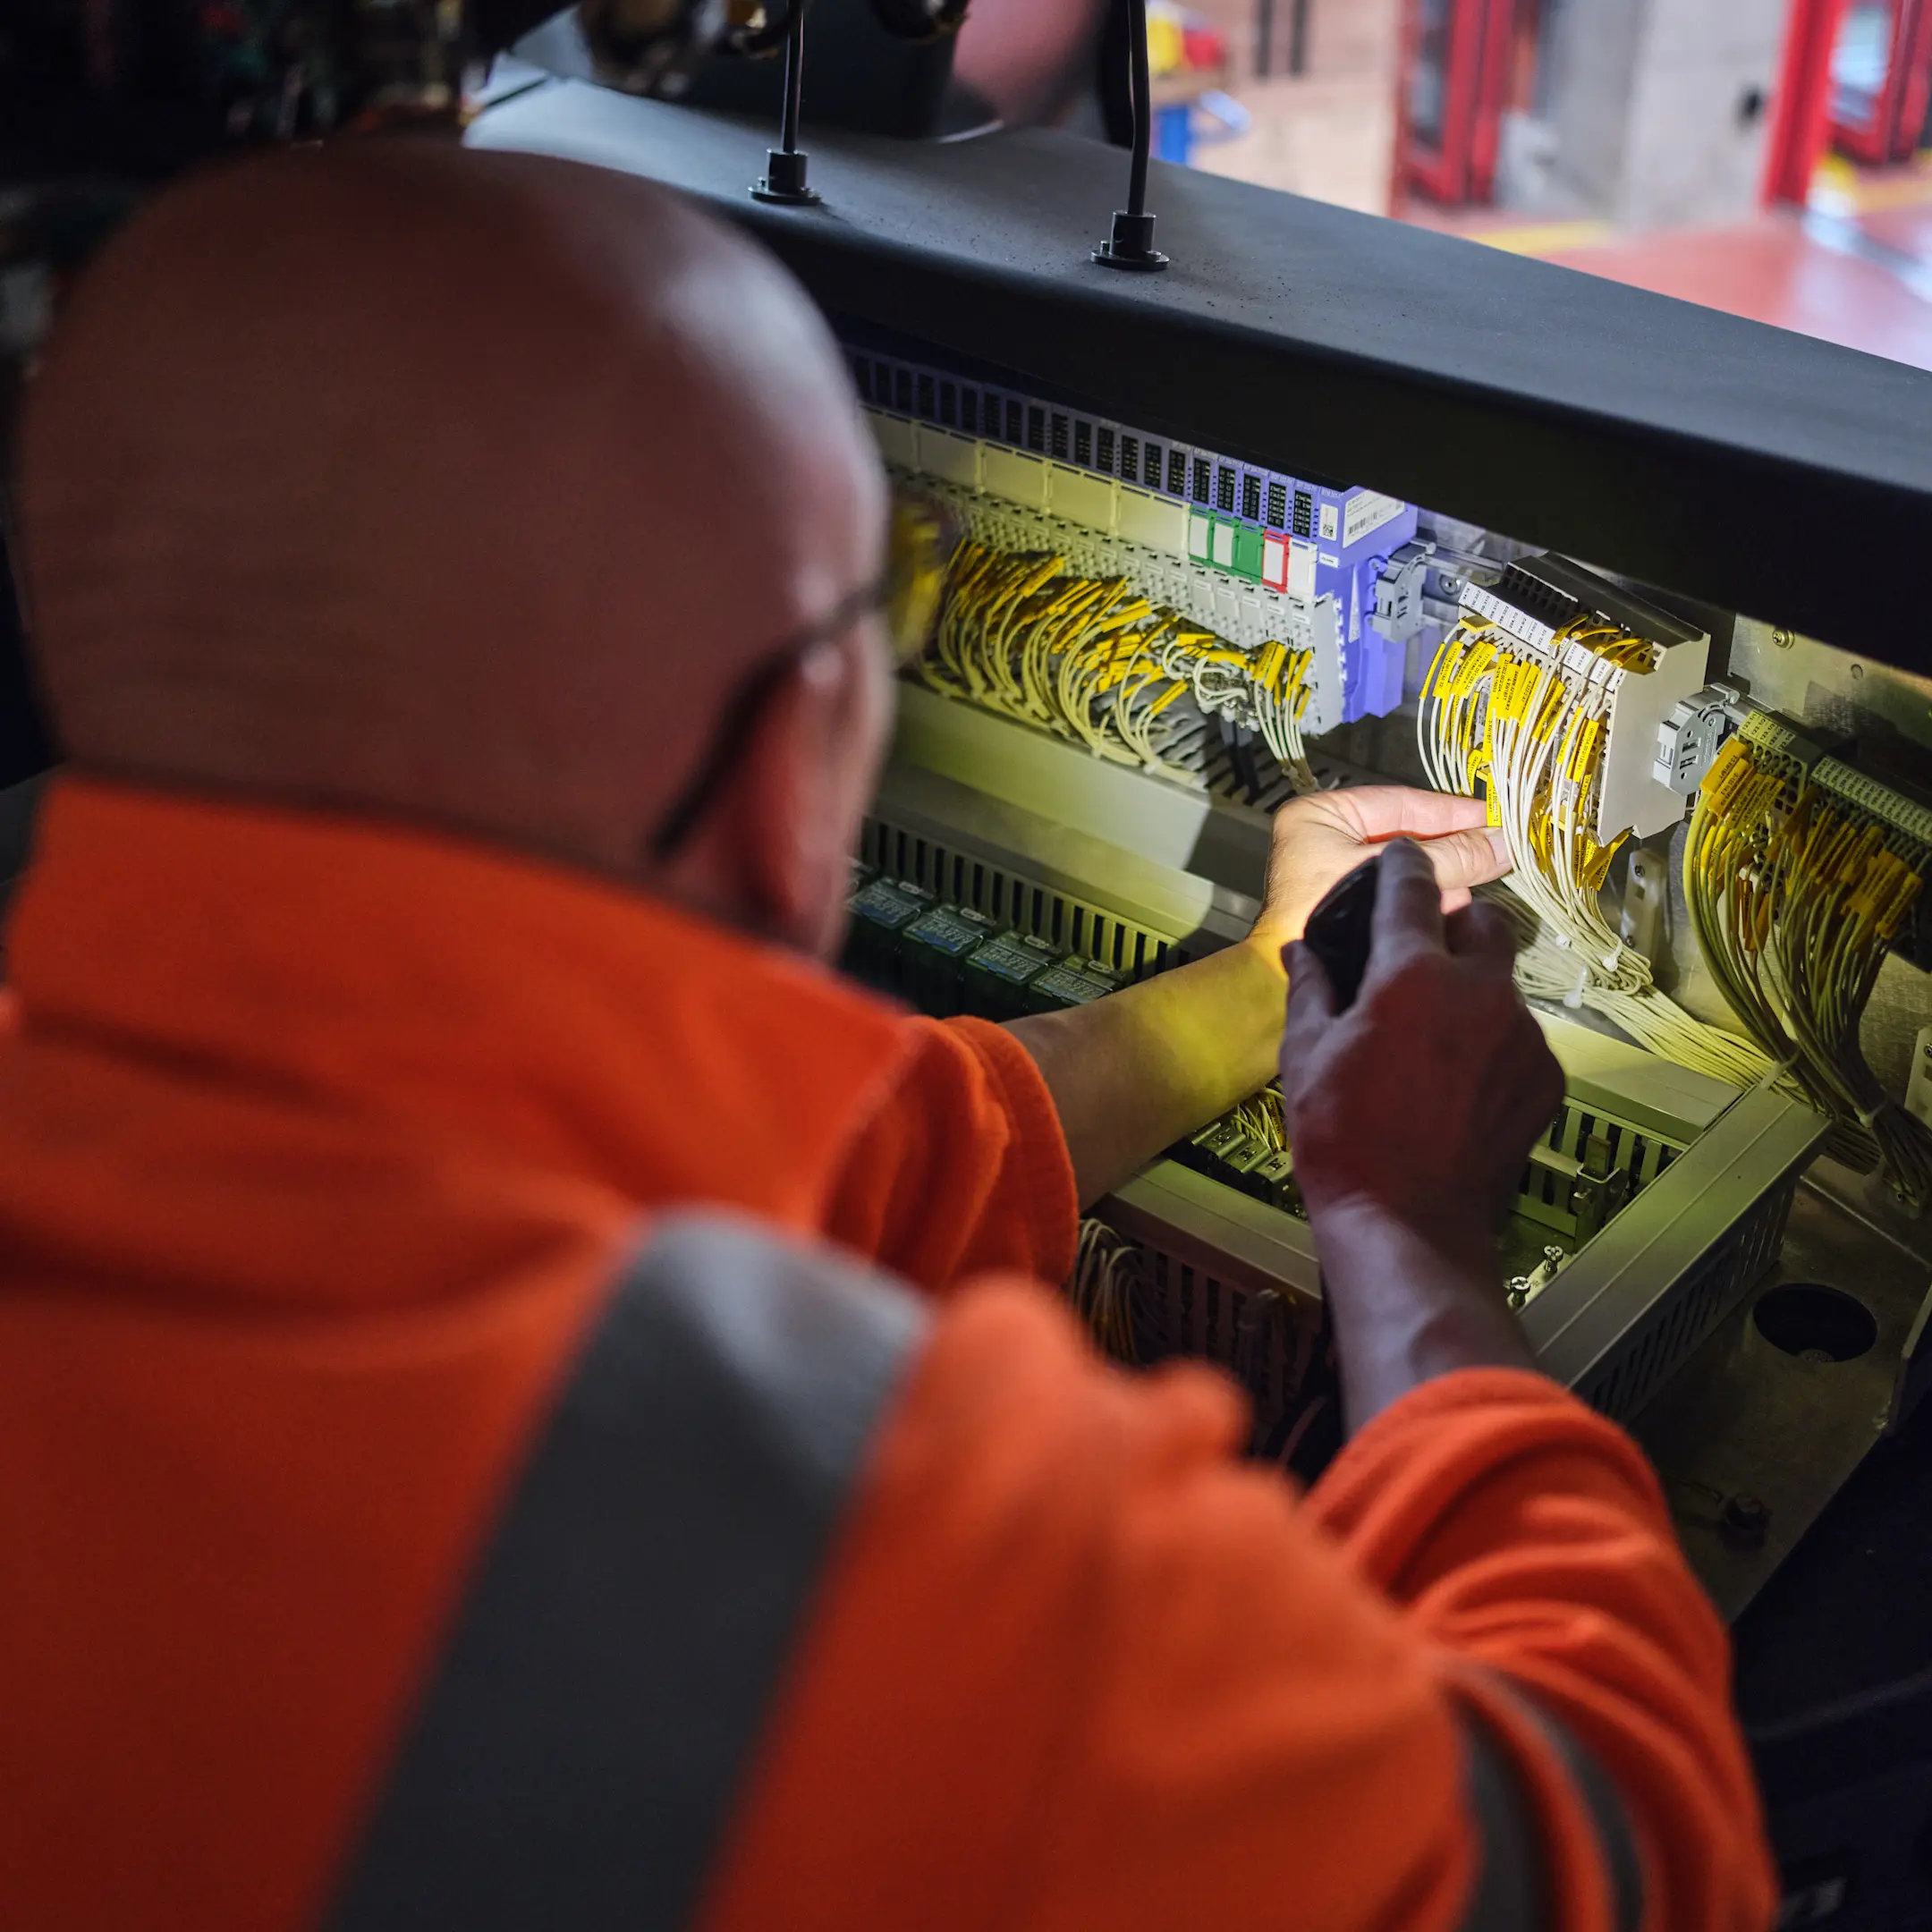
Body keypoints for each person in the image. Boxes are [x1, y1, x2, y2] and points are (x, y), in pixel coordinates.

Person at [0, 140, 1773, 1931]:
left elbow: (890, 1149)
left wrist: (1270, 984)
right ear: (793, 758)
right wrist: (1407, 1225)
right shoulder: (875, 1575)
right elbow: (1600, 1854)